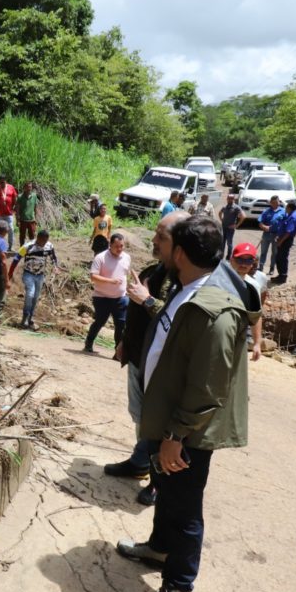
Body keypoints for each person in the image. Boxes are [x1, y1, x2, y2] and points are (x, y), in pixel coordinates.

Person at [114, 215, 259, 592]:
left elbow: (208, 387)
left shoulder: (217, 308)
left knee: (185, 507)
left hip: (187, 432)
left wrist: (176, 435)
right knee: (167, 491)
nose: (158, 246)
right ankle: (159, 547)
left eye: (165, 241)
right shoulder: (190, 288)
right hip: (171, 423)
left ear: (181, 252)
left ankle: (175, 591)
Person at [107, 212, 189, 503]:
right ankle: (140, 461)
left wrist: (148, 300)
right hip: (139, 356)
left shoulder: (186, 280)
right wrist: (124, 342)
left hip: (161, 367)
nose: (153, 240)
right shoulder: (155, 270)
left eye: (161, 237)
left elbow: (178, 322)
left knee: (156, 422)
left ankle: (158, 480)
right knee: (141, 418)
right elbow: (136, 311)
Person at [83, 233, 131, 354]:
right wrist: (111, 281)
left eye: (122, 246)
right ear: (110, 245)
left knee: (121, 324)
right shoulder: (101, 257)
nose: (120, 249)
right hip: (102, 297)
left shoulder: (126, 257)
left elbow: (126, 274)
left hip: (121, 297)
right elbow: (93, 276)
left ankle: (117, 352)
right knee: (100, 321)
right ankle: (88, 343)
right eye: (117, 246)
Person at [8, 228, 59, 330]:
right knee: (30, 294)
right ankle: (25, 318)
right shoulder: (28, 246)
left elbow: (53, 257)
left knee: (35, 297)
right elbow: (17, 258)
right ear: (38, 238)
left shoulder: (49, 246)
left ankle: (30, 318)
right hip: (28, 274)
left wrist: (55, 266)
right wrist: (10, 272)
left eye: (45, 241)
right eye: (42, 241)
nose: (43, 244)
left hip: (40, 275)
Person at [231, 242, 268, 361]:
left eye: (248, 261)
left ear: (252, 264)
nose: (243, 264)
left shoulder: (253, 286)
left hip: (238, 335)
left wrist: (257, 343)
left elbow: (255, 315)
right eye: (240, 259)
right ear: (232, 259)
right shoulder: (218, 278)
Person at [271, 199, 296, 284]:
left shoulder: (293, 217)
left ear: (289, 208)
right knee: (279, 258)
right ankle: (281, 275)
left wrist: (280, 241)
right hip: (284, 238)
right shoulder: (293, 214)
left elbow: (288, 232)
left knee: (281, 258)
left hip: (286, 240)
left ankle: (282, 276)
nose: (285, 209)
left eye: (286, 207)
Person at [256, 195, 284, 274]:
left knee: (274, 253)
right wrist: (264, 227)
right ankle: (261, 266)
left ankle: (272, 268)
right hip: (266, 234)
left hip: (277, 235)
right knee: (263, 251)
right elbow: (260, 223)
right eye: (273, 202)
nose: (275, 204)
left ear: (279, 202)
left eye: (276, 202)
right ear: (270, 203)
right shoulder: (266, 211)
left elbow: (285, 223)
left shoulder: (283, 211)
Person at [218, 193, 245, 258]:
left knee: (229, 243)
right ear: (227, 199)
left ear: (234, 199)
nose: (230, 200)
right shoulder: (225, 207)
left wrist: (236, 225)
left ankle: (228, 256)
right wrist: (221, 219)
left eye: (231, 199)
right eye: (229, 198)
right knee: (222, 243)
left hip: (230, 229)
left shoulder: (236, 207)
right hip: (223, 227)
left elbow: (243, 216)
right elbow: (220, 213)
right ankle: (221, 256)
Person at [15, 181, 38, 248]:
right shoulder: (20, 197)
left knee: (32, 235)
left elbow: (35, 207)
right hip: (23, 220)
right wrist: (17, 220)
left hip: (31, 220)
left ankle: (32, 249)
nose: (29, 188)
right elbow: (17, 209)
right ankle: (22, 250)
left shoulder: (34, 196)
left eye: (30, 187)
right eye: (27, 187)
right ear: (24, 188)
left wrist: (36, 218)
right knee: (22, 236)